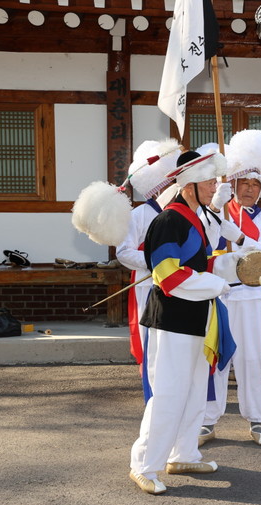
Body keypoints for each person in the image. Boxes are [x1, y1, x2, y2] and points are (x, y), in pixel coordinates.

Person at [129, 149, 234, 495]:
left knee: (193, 391)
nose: (215, 187)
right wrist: (217, 284)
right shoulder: (168, 221)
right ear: (189, 186)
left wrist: (234, 265)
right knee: (169, 393)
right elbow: (168, 276)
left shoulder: (194, 218)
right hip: (171, 320)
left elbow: (198, 265)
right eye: (209, 181)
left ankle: (184, 454)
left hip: (195, 317)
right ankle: (144, 465)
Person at [198, 130, 261, 447]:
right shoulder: (217, 210)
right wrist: (214, 209)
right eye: (244, 183)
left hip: (251, 295)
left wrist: (238, 237)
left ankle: (258, 419)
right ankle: (207, 420)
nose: (249, 189)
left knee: (250, 357)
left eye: (255, 185)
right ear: (233, 184)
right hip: (221, 293)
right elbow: (202, 244)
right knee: (218, 356)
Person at [116, 139, 181, 365]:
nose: (174, 187)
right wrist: (155, 261)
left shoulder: (181, 213)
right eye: (169, 183)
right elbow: (123, 252)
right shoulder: (139, 214)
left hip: (178, 284)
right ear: (157, 186)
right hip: (147, 286)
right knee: (150, 340)